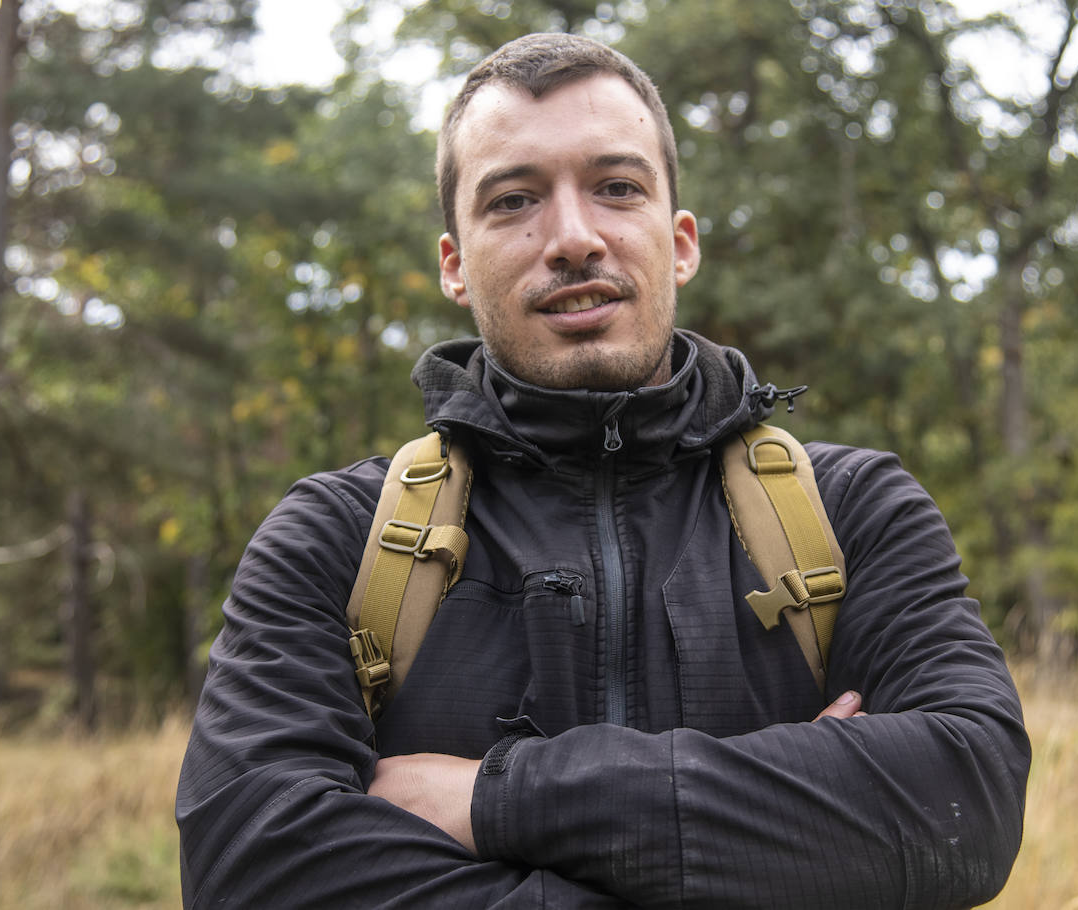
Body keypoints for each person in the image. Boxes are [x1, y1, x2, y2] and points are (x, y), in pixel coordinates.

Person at [176, 32, 1030, 909]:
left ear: (681, 241)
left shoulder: (854, 510)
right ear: (455, 265)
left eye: (617, 188)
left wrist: (491, 799)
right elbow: (251, 868)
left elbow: (964, 800)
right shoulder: (333, 536)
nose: (575, 238)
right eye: (513, 201)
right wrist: (785, 835)